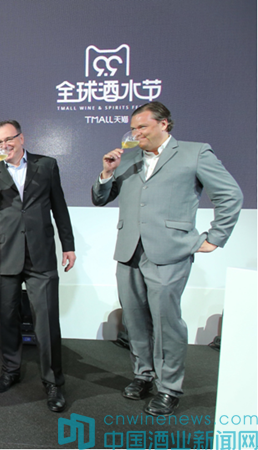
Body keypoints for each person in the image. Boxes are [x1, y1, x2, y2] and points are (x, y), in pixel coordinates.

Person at [92, 101, 242, 416]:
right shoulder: (128, 158)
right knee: (134, 320)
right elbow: (100, 199)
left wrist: (215, 238)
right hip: (129, 251)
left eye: (142, 127)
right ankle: (143, 375)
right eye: (133, 128)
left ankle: (169, 388)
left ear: (164, 124)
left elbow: (230, 195)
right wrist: (106, 173)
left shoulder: (195, 153)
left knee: (166, 322)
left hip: (170, 251)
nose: (136, 133)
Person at [0, 120, 75, 413]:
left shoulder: (47, 165)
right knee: (7, 319)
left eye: (9, 139)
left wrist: (68, 245)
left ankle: (53, 382)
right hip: (4, 254)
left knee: (47, 322)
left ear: (21, 138)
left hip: (41, 253)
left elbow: (59, 206)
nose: (4, 145)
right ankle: (11, 370)